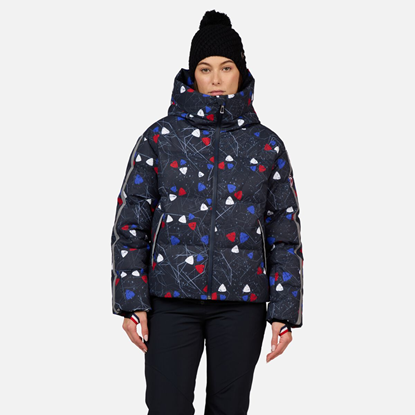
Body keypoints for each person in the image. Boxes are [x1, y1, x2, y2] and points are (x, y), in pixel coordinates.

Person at [111, 9, 304, 415]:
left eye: (226, 67)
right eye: (205, 68)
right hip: (169, 300)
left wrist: (284, 311)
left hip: (241, 304)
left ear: (241, 73)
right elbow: (131, 225)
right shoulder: (160, 137)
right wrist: (131, 300)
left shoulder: (267, 146)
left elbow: (284, 234)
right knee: (165, 407)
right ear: (192, 75)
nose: (216, 79)